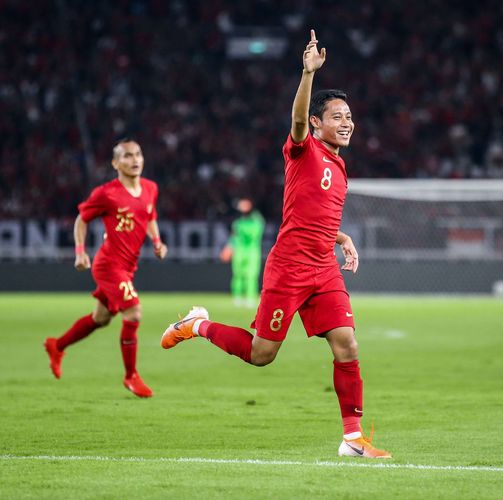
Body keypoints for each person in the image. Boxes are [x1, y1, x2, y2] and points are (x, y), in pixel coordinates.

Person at [161, 30, 391, 458]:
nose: (347, 122)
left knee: (348, 344)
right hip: (288, 267)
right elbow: (298, 121)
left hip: (323, 268)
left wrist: (342, 237)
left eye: (350, 116)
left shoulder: (340, 169)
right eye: (338, 116)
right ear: (320, 123)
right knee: (261, 353)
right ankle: (197, 325)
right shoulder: (303, 149)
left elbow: (315, 216)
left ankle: (353, 439)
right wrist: (307, 74)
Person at [44, 139, 168, 397]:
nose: (134, 160)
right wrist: (80, 252)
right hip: (109, 265)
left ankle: (57, 345)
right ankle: (131, 376)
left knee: (100, 318)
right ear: (115, 163)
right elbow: (82, 219)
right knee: (133, 313)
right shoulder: (106, 194)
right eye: (127, 156)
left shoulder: (150, 188)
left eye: (137, 154)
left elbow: (150, 215)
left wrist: (157, 241)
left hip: (128, 266)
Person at [220, 198, 265, 307]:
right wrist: (228, 248)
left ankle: (250, 298)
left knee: (251, 275)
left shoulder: (256, 221)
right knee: (238, 275)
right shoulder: (238, 223)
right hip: (239, 251)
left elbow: (260, 222)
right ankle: (237, 297)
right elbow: (234, 238)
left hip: (252, 252)